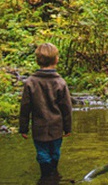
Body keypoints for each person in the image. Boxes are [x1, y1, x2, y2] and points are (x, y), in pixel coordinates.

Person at [19, 43, 73, 177]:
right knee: (55, 151)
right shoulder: (60, 82)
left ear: (37, 60)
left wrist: (23, 128)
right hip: (56, 126)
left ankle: (46, 175)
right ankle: (53, 175)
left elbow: (25, 107)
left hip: (39, 127)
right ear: (56, 60)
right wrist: (68, 127)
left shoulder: (30, 82)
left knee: (42, 152)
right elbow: (67, 108)